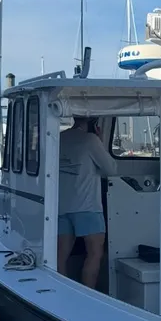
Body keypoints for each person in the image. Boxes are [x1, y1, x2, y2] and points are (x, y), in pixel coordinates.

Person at [58, 116, 117, 288]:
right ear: (94, 123)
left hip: (62, 206)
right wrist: (101, 142)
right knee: (95, 253)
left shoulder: (60, 138)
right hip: (87, 206)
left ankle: (62, 292)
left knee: (60, 256)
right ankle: (88, 293)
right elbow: (111, 169)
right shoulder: (91, 140)